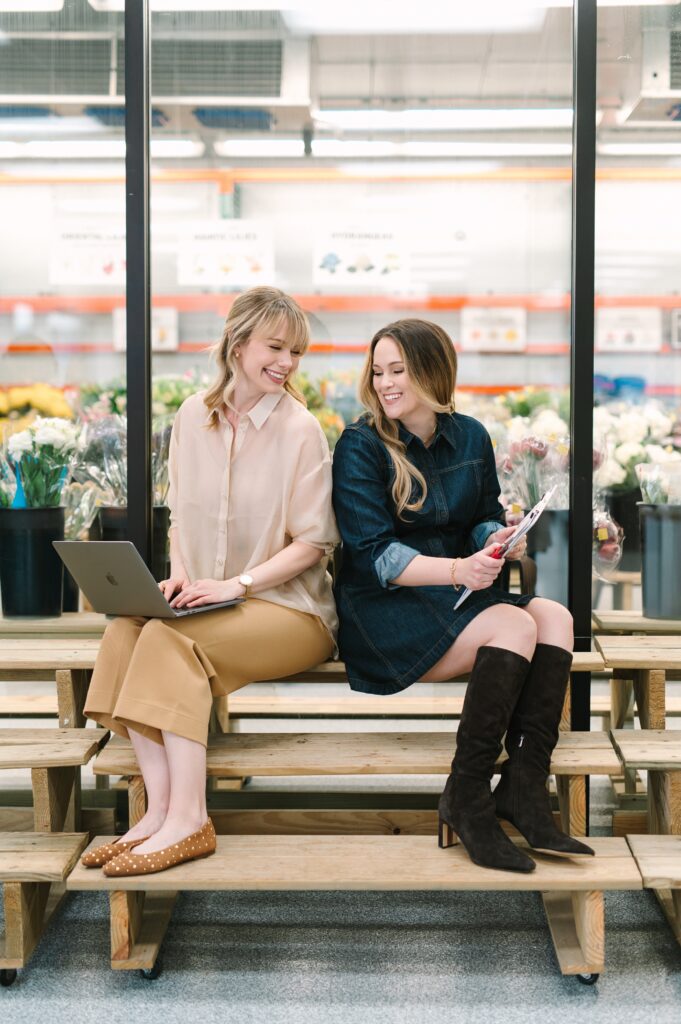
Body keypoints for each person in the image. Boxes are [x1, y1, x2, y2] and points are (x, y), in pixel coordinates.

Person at [82, 286, 338, 877]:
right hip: (211, 606)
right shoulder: (191, 418)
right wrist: (177, 580)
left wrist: (237, 584)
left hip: (290, 612)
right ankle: (158, 813)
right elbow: (180, 517)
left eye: (296, 352)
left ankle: (190, 818)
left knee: (169, 643)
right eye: (276, 346)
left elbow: (313, 543)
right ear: (238, 342)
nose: (288, 363)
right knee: (126, 631)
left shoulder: (300, 430)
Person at [331, 318, 593, 873]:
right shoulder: (360, 446)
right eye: (378, 371)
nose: (385, 383)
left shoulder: (470, 434)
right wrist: (458, 567)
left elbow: (481, 516)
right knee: (517, 625)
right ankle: (467, 796)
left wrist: (496, 540)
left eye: (398, 370)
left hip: (456, 593)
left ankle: (522, 788)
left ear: (433, 371)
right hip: (384, 612)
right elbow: (376, 556)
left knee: (554, 616)